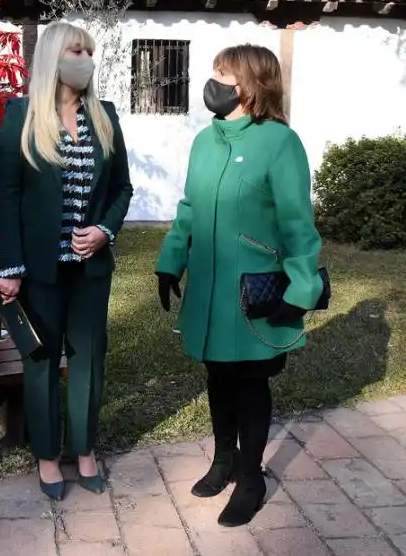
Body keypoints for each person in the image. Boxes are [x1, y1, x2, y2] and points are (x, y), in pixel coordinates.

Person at [155, 44, 323, 527]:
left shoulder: (280, 142)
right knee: (218, 377)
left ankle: (251, 477)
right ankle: (223, 460)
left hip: (254, 293)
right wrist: (170, 261)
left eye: (223, 74)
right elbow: (189, 208)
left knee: (250, 383)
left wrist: (301, 291)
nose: (214, 84)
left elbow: (297, 223)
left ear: (249, 84)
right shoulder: (205, 141)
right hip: (210, 291)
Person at [0, 22, 133, 500]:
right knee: (42, 363)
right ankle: (48, 457)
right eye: (76, 50)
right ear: (53, 56)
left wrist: (104, 230)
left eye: (89, 51)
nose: (86, 59)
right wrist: (11, 266)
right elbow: (6, 198)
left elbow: (121, 189)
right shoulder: (20, 117)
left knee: (89, 360)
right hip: (40, 271)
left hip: (90, 269)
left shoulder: (106, 116)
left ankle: (86, 450)